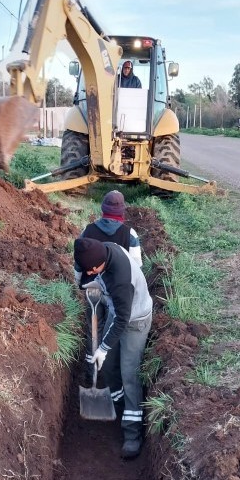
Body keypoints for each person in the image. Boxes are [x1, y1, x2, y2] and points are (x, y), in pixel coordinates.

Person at [74, 237, 153, 459]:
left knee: (129, 374)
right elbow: (90, 278)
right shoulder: (103, 250)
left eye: (92, 271)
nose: (90, 273)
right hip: (117, 312)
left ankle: (132, 432)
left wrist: (103, 347)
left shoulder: (120, 279)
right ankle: (119, 405)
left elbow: (123, 320)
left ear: (99, 266)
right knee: (107, 366)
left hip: (135, 320)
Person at [74, 190, 142, 288]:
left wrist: (78, 283)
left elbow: (78, 263)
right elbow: (137, 266)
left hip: (90, 286)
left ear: (103, 209)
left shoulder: (88, 230)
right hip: (117, 288)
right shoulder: (130, 233)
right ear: (122, 211)